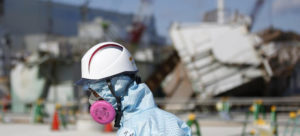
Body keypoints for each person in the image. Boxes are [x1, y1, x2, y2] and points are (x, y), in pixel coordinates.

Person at [76, 42, 191, 136]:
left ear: (117, 86)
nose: (94, 99)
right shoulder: (131, 124)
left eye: (97, 92)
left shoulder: (159, 128)